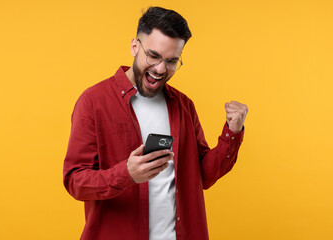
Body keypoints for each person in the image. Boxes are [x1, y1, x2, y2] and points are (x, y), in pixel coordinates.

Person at [63, 6, 248, 240]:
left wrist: (232, 132)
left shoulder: (183, 106)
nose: (161, 69)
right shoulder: (94, 102)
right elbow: (75, 181)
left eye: (171, 61)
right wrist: (126, 174)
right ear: (134, 46)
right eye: (153, 56)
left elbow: (202, 175)